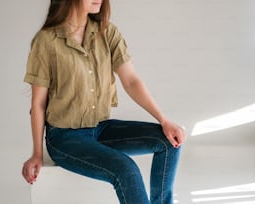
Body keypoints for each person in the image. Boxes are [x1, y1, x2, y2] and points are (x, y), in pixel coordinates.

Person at [22, 0, 186, 203]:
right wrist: (37, 153)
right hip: (65, 138)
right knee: (125, 168)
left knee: (169, 142)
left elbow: (131, 81)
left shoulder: (107, 32)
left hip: (100, 129)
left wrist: (164, 120)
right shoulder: (46, 40)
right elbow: (38, 103)